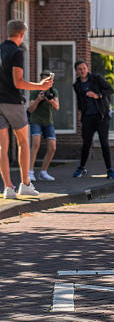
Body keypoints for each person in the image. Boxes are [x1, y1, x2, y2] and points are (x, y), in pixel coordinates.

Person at [0, 20, 52, 199]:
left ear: (8, 32)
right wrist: (41, 86)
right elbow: (18, 82)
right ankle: (25, 184)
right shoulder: (17, 52)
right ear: (21, 35)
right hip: (13, 102)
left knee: (2, 146)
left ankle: (7, 188)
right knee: (23, 142)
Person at [72, 60, 114, 179]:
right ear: (76, 71)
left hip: (101, 116)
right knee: (86, 143)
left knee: (104, 143)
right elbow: (80, 101)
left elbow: (110, 90)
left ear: (87, 69)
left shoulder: (96, 78)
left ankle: (109, 170)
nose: (82, 71)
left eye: (84, 68)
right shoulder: (77, 85)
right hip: (87, 117)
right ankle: (81, 168)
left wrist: (98, 95)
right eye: (79, 69)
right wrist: (81, 113)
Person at [28, 70, 59, 181]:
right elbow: (31, 109)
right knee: (35, 144)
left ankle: (43, 172)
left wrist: (49, 100)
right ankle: (30, 171)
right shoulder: (35, 91)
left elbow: (57, 107)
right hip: (36, 120)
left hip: (48, 122)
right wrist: (38, 99)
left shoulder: (53, 91)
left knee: (52, 147)